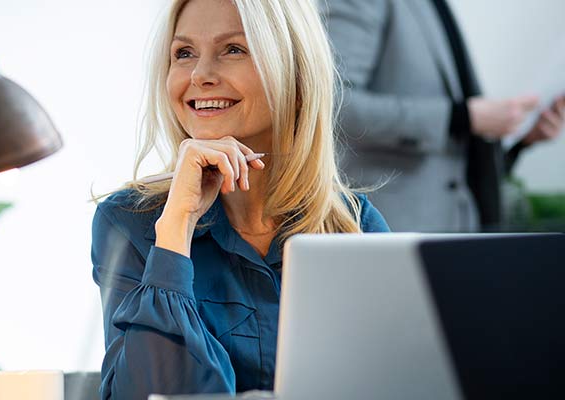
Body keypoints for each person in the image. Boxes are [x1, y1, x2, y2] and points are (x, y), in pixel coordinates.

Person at [90, 0, 389, 398]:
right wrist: (175, 229)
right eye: (184, 53)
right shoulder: (128, 221)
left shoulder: (354, 226)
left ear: (296, 78)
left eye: (234, 49)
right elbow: (148, 393)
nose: (200, 75)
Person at [320, 0, 565, 232]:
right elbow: (336, 105)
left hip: (464, 225)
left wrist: (522, 136)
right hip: (394, 228)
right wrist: (460, 118)